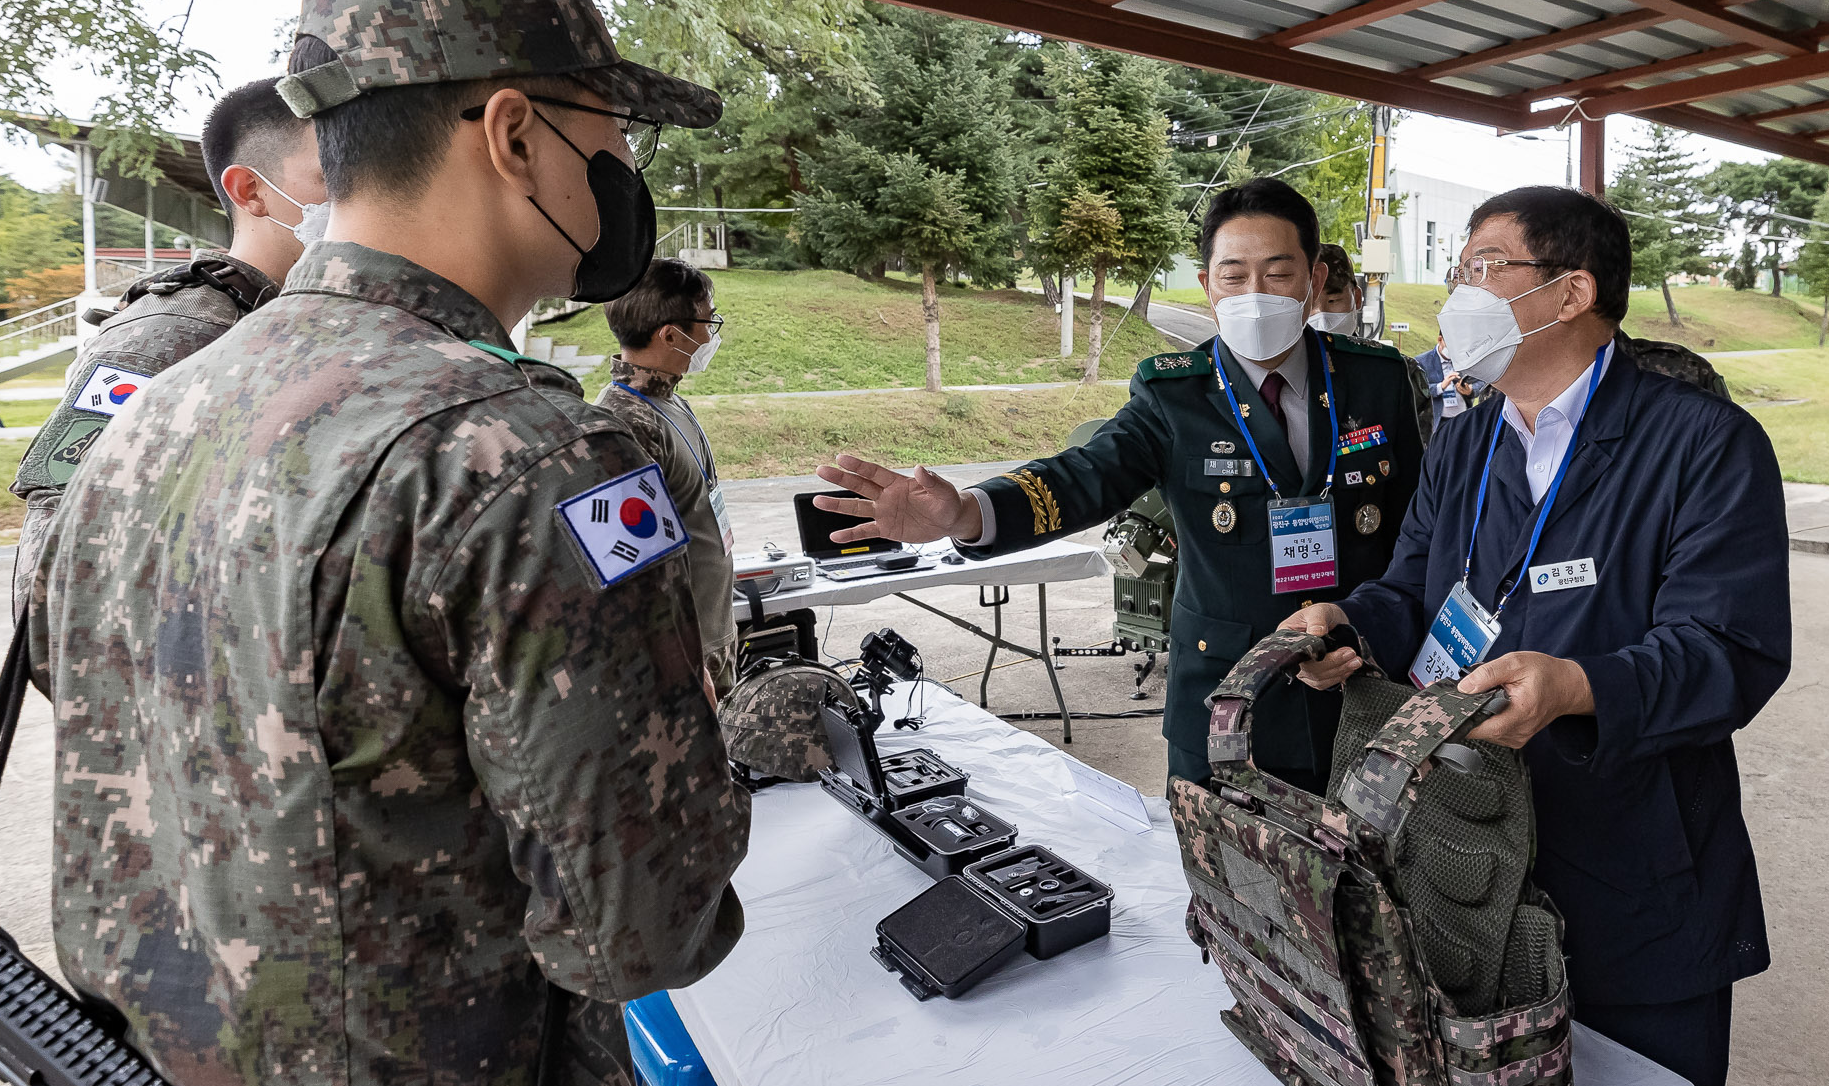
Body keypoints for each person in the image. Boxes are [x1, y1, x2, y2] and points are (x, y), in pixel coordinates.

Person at [29, 0, 748, 1086]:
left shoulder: (152, 413)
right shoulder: (540, 454)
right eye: (614, 135)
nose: (625, 173)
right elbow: (642, 918)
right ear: (515, 133)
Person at [1283, 185, 1791, 1086]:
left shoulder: (1700, 441)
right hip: (1463, 850)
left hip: (1634, 858)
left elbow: (1731, 648)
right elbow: (1413, 586)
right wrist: (1348, 625)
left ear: (1571, 291)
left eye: (1483, 267)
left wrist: (1578, 687)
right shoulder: (1467, 439)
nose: (1456, 291)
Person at [816, 177, 1425, 791]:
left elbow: (1420, 539)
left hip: (1360, 689)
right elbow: (1083, 475)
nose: (1255, 293)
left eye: (1278, 273)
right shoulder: (1174, 394)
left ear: (1315, 280)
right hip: (1230, 702)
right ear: (1210, 287)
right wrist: (968, 512)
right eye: (1234, 276)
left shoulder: (1377, 382)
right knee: (1218, 882)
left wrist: (1372, 635)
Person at [9, 76, 326, 616]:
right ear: (250, 191)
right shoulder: (172, 332)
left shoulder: (305, 318)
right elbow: (49, 591)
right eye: (333, 176)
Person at [597, 258, 738, 692]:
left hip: (712, 635)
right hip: (685, 655)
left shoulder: (667, 400)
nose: (710, 334)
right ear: (671, 335)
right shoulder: (628, 422)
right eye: (707, 321)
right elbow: (633, 566)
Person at [1316, 239, 1435, 444]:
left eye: (1333, 301)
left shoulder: (1401, 372)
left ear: (1357, 297)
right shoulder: (1277, 376)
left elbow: (1420, 461)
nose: (1322, 316)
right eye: (1309, 304)